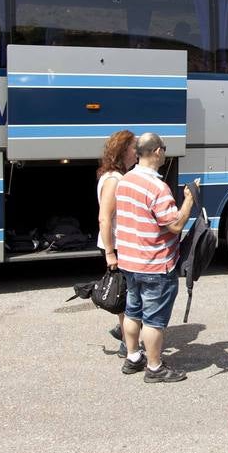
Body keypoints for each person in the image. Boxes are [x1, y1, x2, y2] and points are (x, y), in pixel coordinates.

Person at [114, 132, 198, 383]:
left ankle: (132, 357)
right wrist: (189, 201)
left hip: (128, 259)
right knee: (154, 320)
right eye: (164, 148)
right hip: (155, 263)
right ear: (158, 152)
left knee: (132, 312)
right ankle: (154, 367)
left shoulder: (126, 180)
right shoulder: (158, 187)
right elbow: (174, 225)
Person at [97, 130, 138, 352]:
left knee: (125, 296)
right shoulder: (114, 180)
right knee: (125, 297)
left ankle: (124, 334)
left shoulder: (115, 176)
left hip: (117, 245)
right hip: (116, 246)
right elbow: (104, 218)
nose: (137, 151)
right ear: (123, 151)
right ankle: (127, 344)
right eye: (134, 147)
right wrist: (110, 253)